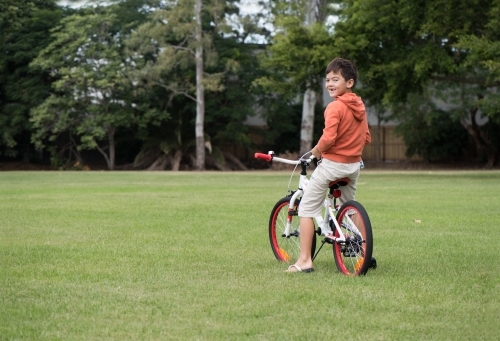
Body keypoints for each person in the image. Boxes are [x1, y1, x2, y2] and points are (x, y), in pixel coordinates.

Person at [287, 57, 371, 273]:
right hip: (353, 166)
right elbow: (367, 138)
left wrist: (315, 152)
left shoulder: (335, 107)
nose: (330, 84)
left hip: (333, 165)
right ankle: (362, 252)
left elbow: (328, 139)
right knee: (348, 206)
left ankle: (305, 260)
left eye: (335, 79)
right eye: (327, 80)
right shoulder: (359, 106)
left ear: (349, 82)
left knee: (306, 208)